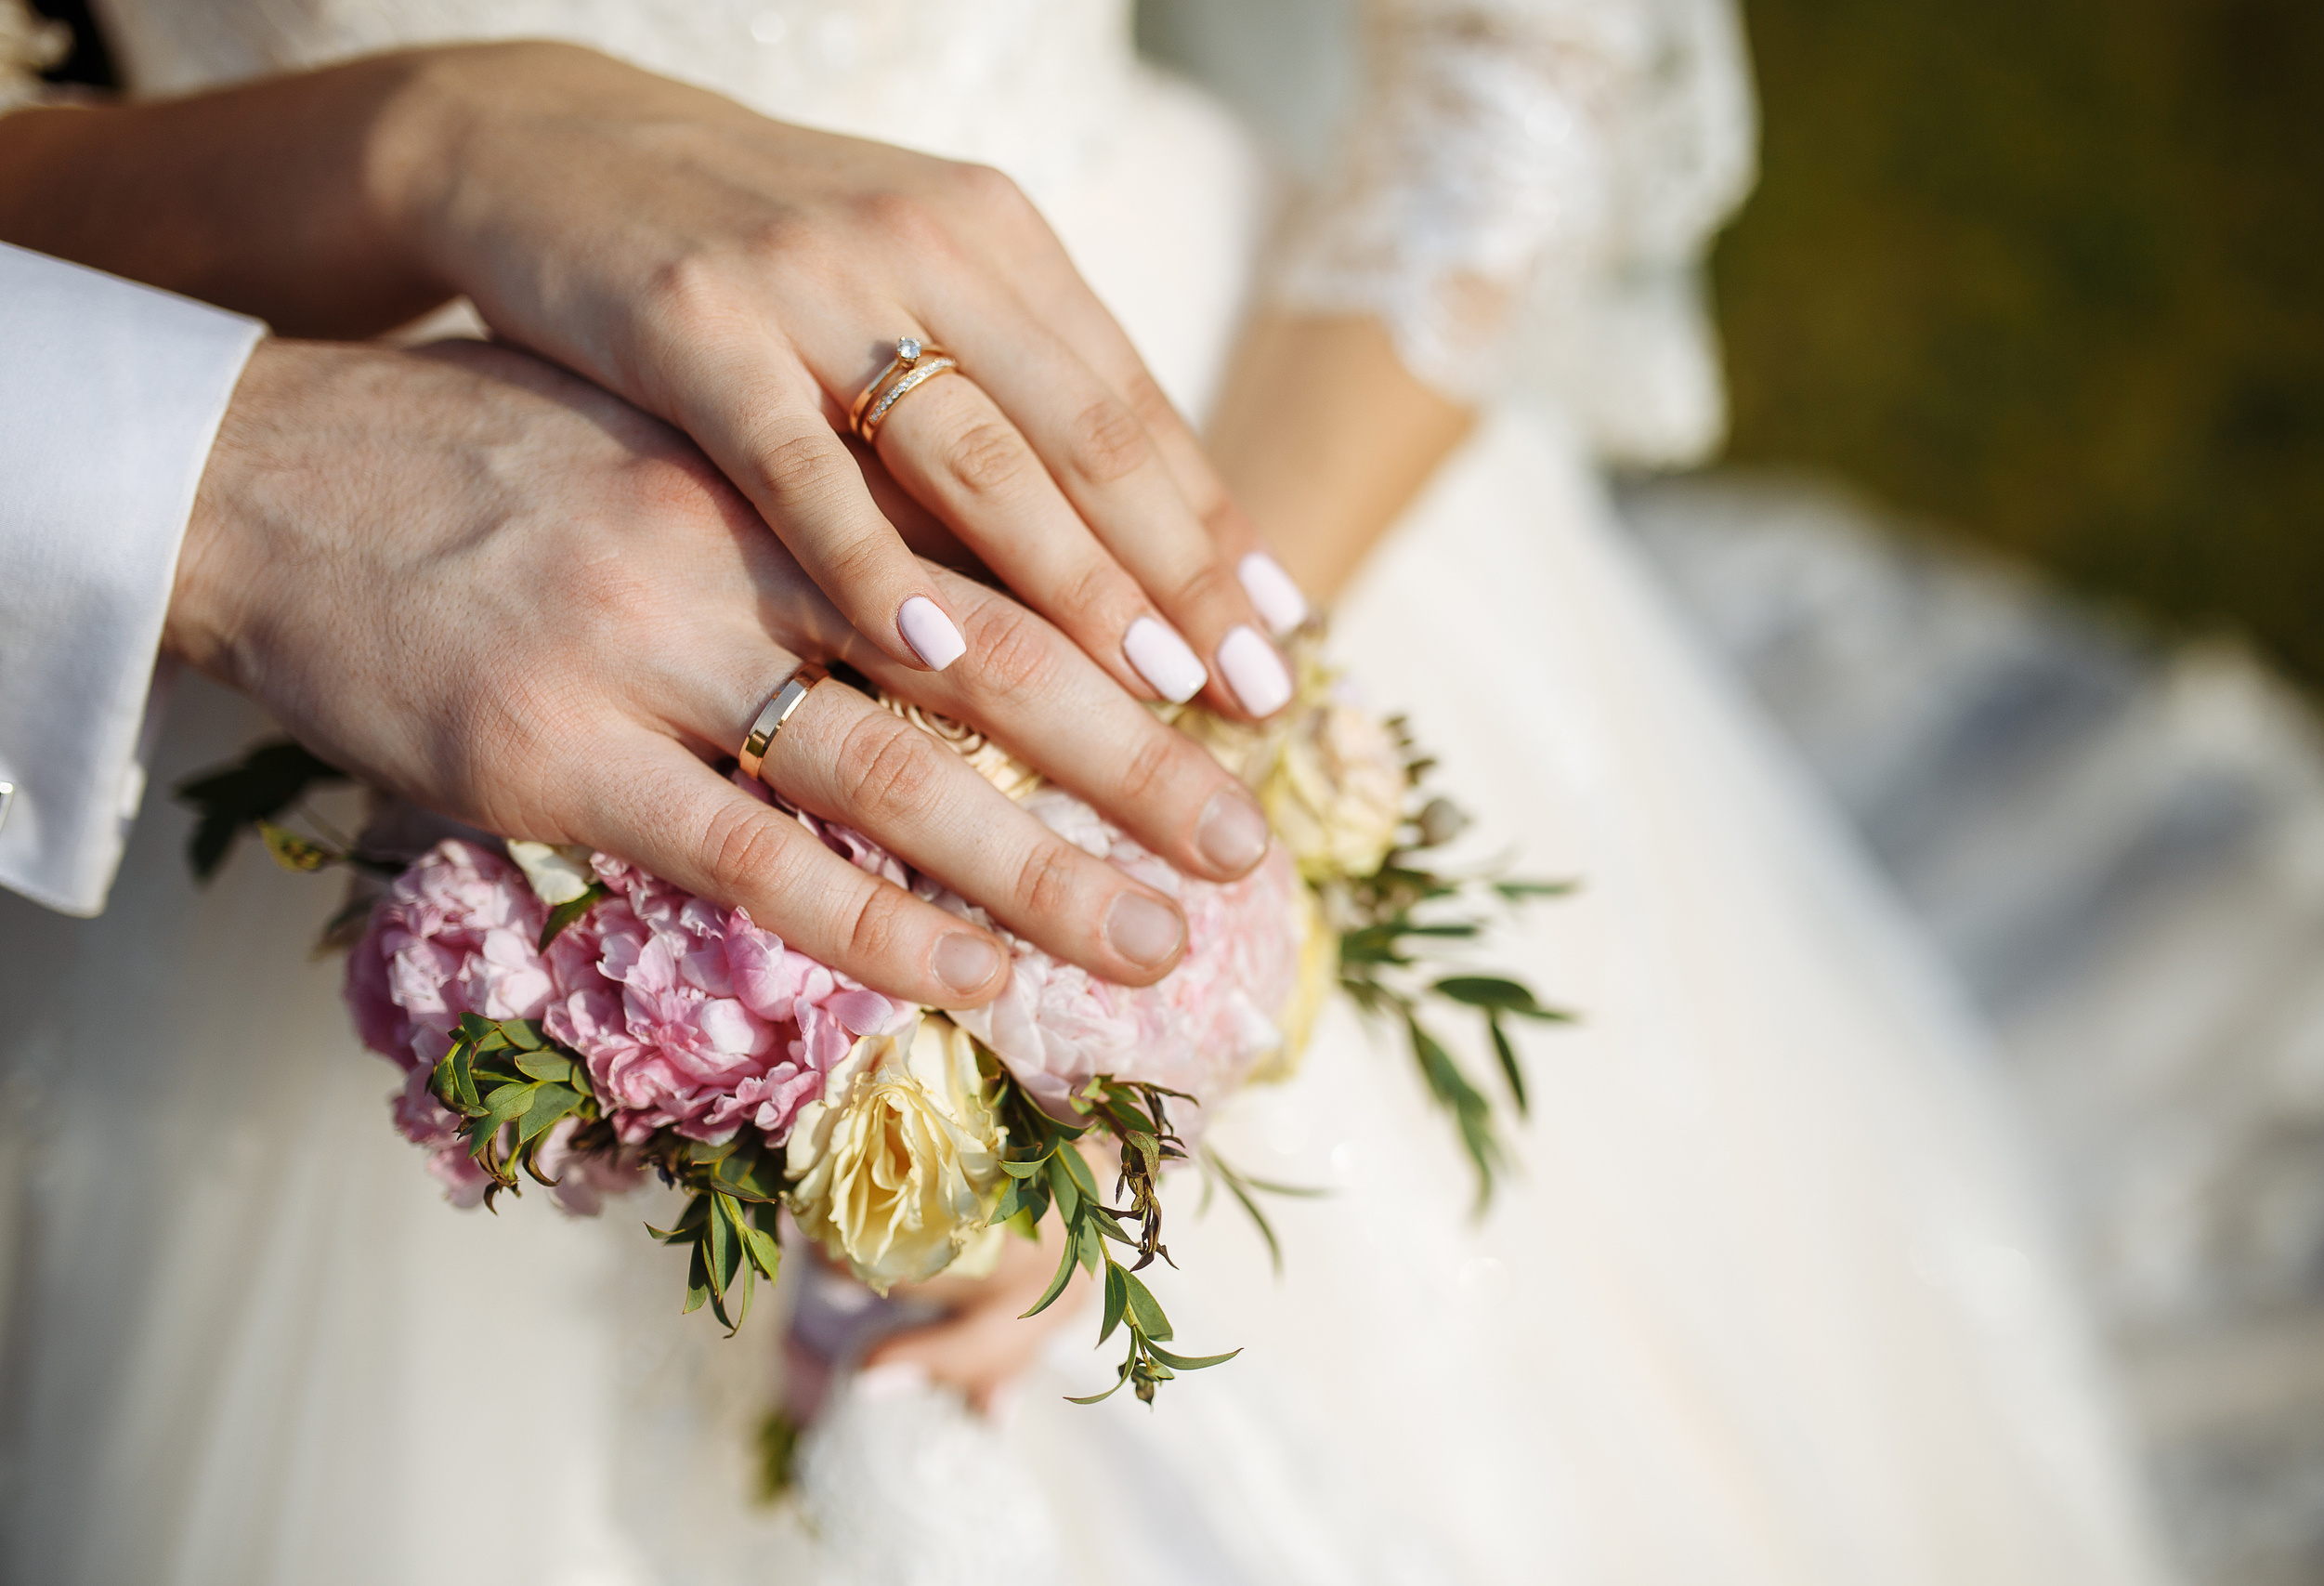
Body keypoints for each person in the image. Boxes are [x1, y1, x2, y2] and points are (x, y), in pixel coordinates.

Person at [0, 2, 2177, 1581]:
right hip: (309, 521)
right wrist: (428, 140)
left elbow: (1523, 66)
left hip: (1181, 443)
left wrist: (1162, 734)